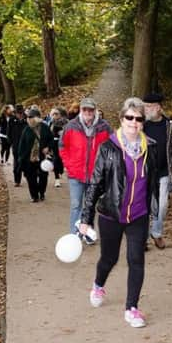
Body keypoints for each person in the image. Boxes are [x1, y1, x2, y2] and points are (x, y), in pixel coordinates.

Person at [79, 98, 159, 328]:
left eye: (139, 118)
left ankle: (131, 308)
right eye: (129, 117)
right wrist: (85, 220)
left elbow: (154, 181)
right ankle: (98, 284)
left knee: (136, 259)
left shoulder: (150, 148)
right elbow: (95, 184)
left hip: (138, 215)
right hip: (111, 214)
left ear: (143, 122)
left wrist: (154, 208)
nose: (134, 122)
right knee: (109, 258)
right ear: (122, 119)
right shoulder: (108, 148)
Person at [59, 97, 112, 243]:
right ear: (80, 110)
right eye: (85, 109)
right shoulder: (71, 126)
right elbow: (62, 147)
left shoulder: (104, 127)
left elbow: (112, 148)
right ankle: (73, 235)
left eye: (91, 109)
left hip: (96, 174)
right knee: (76, 204)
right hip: (75, 174)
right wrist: (69, 165)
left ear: (95, 110)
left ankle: (88, 233)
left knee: (90, 205)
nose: (88, 112)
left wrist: (106, 168)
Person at [142, 92, 172, 249]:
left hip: (164, 172)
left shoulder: (170, 125)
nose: (146, 109)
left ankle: (157, 233)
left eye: (149, 106)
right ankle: (143, 238)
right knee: (145, 205)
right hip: (144, 172)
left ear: (158, 107)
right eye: (144, 106)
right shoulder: (140, 125)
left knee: (162, 205)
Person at [18, 108, 54, 202]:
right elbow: (22, 145)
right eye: (29, 117)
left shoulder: (45, 128)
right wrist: (21, 158)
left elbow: (51, 140)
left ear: (37, 118)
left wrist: (48, 148)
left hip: (42, 156)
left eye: (32, 117)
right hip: (29, 158)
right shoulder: (27, 129)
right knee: (31, 177)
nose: (29, 119)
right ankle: (34, 196)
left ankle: (41, 192)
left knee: (43, 176)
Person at [49, 107, 68, 188]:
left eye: (57, 114)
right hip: (55, 143)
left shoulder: (66, 122)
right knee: (56, 159)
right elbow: (49, 133)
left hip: (64, 144)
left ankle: (60, 171)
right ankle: (57, 179)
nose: (55, 115)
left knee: (61, 159)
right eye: (54, 114)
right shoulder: (51, 123)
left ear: (60, 114)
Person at [9, 105, 27, 187]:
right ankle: (17, 180)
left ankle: (28, 176)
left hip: (26, 145)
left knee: (26, 162)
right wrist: (11, 142)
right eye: (17, 113)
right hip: (16, 145)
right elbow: (8, 132)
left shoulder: (27, 119)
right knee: (16, 162)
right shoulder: (12, 120)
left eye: (20, 113)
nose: (19, 115)